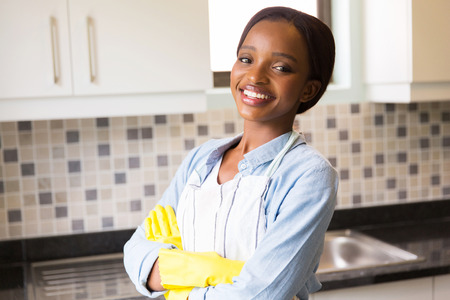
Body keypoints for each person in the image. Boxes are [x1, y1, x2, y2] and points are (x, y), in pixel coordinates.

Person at [124, 6, 338, 300]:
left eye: (281, 67)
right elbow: (135, 253)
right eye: (246, 59)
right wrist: (202, 270)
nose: (255, 76)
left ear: (308, 90)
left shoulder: (308, 175)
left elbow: (262, 292)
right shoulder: (203, 159)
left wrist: (182, 290)